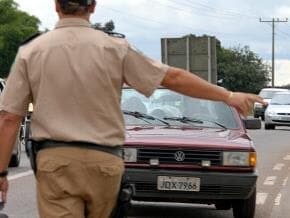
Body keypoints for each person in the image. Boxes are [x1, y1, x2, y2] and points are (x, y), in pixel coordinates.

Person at [0, 0, 266, 217]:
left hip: (56, 162)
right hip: (104, 161)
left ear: (56, 5)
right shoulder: (114, 48)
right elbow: (171, 78)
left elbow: (10, 118)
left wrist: (1, 173)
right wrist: (227, 95)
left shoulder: (31, 51)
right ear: (93, 6)